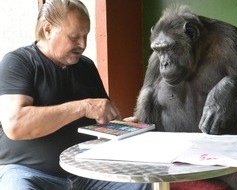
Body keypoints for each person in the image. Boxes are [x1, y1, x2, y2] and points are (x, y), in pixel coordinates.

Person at [0, 0, 151, 189]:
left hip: (86, 170)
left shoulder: (86, 66)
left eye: (85, 36)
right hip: (29, 172)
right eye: (74, 37)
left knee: (142, 184)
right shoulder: (19, 62)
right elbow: (15, 125)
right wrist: (83, 107)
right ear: (48, 30)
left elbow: (101, 122)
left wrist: (121, 128)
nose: (82, 44)